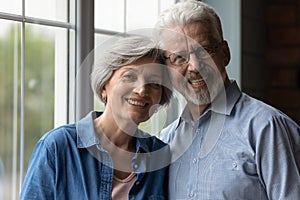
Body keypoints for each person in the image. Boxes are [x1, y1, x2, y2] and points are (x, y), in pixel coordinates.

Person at [156, 1, 300, 199]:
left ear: (225, 53)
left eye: (204, 51)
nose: (194, 66)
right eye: (179, 57)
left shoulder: (267, 128)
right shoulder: (165, 141)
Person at [20, 36, 172, 199]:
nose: (142, 90)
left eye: (155, 83)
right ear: (103, 87)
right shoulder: (57, 146)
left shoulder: (160, 154)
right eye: (129, 77)